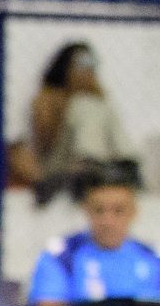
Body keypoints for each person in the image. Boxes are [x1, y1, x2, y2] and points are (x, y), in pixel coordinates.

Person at [28, 170, 160, 306]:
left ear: (134, 212)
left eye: (118, 211)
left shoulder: (158, 260)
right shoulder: (61, 257)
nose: (107, 221)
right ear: (86, 210)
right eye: (99, 210)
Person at [23, 42, 133, 202]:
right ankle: (88, 162)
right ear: (66, 66)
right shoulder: (49, 96)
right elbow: (46, 142)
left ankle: (127, 162)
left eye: (91, 64)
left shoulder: (95, 98)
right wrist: (69, 106)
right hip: (58, 163)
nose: (87, 70)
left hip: (95, 164)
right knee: (83, 106)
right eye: (81, 64)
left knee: (98, 106)